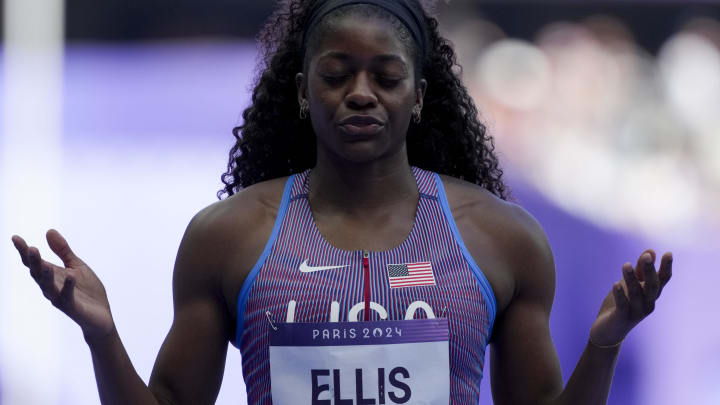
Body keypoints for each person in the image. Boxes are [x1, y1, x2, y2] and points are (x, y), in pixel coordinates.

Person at [11, 0, 673, 404]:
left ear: (417, 95)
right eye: (336, 74)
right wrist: (101, 335)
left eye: (386, 77)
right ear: (303, 91)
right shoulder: (229, 237)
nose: (361, 93)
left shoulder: (501, 240)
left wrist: (604, 344)